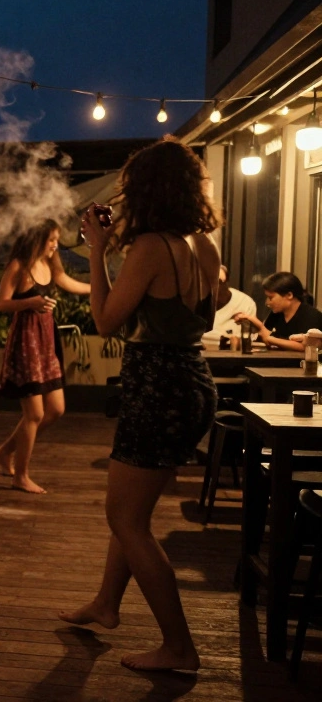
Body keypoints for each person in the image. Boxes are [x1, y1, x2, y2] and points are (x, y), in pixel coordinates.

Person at [59, 137, 220, 672]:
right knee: (134, 513)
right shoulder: (202, 245)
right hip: (192, 381)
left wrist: (99, 250)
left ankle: (179, 646)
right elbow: (207, 316)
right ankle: (107, 603)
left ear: (147, 190)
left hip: (158, 387)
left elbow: (105, 322)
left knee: (125, 519)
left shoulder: (152, 246)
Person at [0, 220, 90, 494]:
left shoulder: (50, 265)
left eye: (56, 239)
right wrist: (30, 303)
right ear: (37, 240)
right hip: (25, 342)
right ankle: (20, 476)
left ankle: (4, 452)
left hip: (46, 341)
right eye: (51, 240)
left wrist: (99, 289)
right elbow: (0, 304)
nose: (55, 245)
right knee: (34, 413)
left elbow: (67, 282)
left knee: (55, 409)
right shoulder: (19, 266)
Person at [231, 271, 322, 352]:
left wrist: (271, 339)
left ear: (289, 295)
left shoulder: (311, 316)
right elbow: (265, 335)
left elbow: (305, 347)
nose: (267, 302)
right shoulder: (277, 314)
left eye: (271, 298)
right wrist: (250, 319)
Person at [200, 265, 258, 348]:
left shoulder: (245, 302)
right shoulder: (194, 302)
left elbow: (245, 337)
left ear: (226, 283)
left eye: (218, 282)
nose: (212, 287)